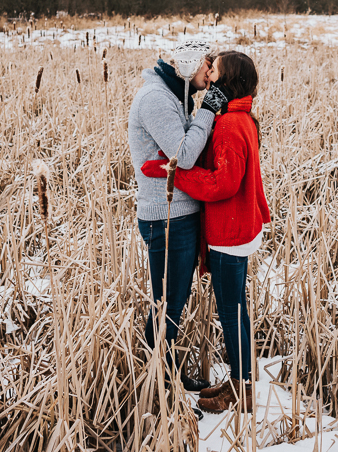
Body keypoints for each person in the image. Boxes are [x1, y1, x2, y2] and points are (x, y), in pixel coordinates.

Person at [141, 50, 270, 413]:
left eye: (215, 70)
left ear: (226, 81)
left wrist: (173, 173)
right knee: (236, 309)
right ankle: (242, 381)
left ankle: (242, 389)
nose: (208, 73)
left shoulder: (229, 124)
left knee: (231, 312)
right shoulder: (239, 118)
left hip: (230, 232)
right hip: (237, 227)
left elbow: (221, 184)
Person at [128, 38, 228, 393]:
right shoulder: (156, 99)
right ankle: (159, 387)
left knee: (172, 301)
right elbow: (183, 155)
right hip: (166, 218)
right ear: (188, 65)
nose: (211, 72)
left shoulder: (173, 96)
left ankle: (164, 375)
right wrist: (208, 111)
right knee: (167, 305)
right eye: (207, 64)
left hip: (178, 215)